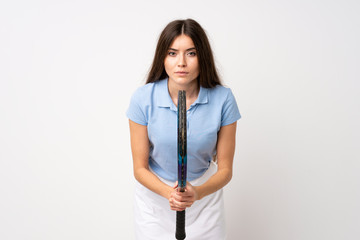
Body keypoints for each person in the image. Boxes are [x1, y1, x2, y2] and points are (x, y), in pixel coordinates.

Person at [126, 19, 241, 240]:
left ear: (202, 57)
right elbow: (140, 168)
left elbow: (225, 170)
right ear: (163, 57)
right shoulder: (142, 98)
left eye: (191, 53)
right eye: (172, 53)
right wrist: (170, 194)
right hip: (155, 200)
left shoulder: (223, 99)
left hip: (204, 197)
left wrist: (196, 193)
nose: (181, 63)